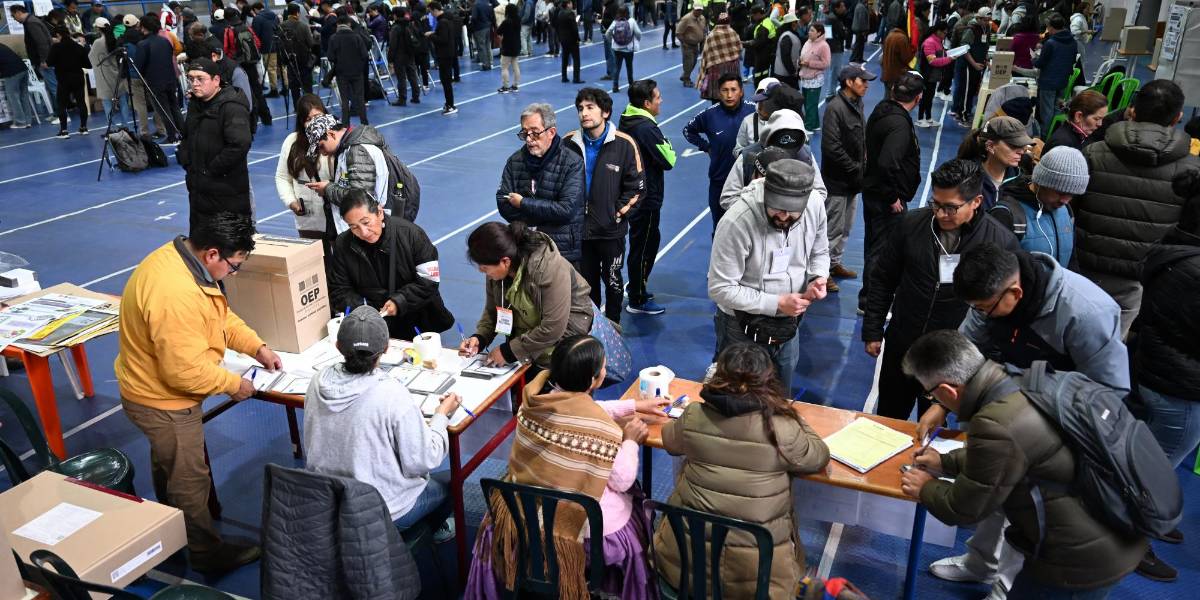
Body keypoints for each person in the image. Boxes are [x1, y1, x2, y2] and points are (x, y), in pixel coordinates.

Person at [916, 241, 1128, 597]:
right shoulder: (989, 296)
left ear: (1014, 291)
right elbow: (964, 354)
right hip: (1010, 408)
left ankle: (1006, 584)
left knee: (1032, 511)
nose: (982, 314)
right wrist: (942, 403)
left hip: (1060, 427)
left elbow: (1110, 390)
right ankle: (980, 563)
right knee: (993, 488)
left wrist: (1037, 421)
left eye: (986, 308)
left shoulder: (1085, 312)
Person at [901, 330, 1147, 598]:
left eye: (931, 395)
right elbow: (1011, 455)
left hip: (1076, 560)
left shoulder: (995, 421)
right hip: (1113, 528)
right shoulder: (1022, 381)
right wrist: (946, 462)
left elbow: (965, 508)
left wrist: (926, 487)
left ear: (948, 390)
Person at [116, 213, 281, 574]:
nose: (233, 274)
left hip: (148, 388)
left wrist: (256, 347)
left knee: (169, 466)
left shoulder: (181, 260)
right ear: (211, 254)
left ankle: (171, 530)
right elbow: (184, 371)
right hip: (163, 401)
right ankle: (206, 554)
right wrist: (233, 384)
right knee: (189, 479)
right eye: (234, 267)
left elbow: (219, 318)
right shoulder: (175, 293)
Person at [465, 335, 659, 599]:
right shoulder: (602, 431)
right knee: (633, 512)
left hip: (522, 513)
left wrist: (632, 406)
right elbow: (621, 480)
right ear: (594, 380)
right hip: (577, 531)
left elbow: (577, 408)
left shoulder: (532, 403)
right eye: (602, 367)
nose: (605, 370)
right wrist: (630, 442)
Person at [654, 342, 831, 598]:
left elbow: (670, 442)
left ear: (719, 376)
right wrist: (793, 415)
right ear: (768, 380)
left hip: (683, 565)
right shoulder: (782, 428)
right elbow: (818, 456)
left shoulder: (694, 415)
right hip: (759, 579)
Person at [862, 159, 1020, 420]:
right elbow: (883, 278)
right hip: (903, 345)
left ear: (976, 202)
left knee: (935, 424)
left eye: (951, 207)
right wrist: (873, 328)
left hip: (953, 358)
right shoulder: (911, 226)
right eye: (936, 204)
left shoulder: (1000, 243)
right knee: (888, 419)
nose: (940, 214)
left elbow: (1003, 312)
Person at [304, 305, 459, 540]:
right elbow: (425, 459)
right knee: (453, 484)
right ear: (386, 349)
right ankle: (410, 540)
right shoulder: (390, 393)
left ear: (337, 346)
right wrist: (441, 416)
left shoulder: (317, 382)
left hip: (328, 503)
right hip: (380, 511)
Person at [1076, 80, 1199, 337]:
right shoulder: (1191, 170)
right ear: (1177, 117)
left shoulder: (1092, 153)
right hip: (1142, 279)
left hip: (1083, 268)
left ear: (1132, 110)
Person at [710, 160, 830, 393]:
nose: (784, 216)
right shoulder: (738, 221)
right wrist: (776, 303)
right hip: (740, 324)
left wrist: (818, 276)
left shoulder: (814, 204)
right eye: (777, 208)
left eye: (792, 211)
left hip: (787, 323)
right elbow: (720, 288)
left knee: (780, 393)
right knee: (739, 398)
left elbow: (820, 250)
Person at [458, 222, 594, 370]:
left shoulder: (548, 269)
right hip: (529, 341)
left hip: (566, 342)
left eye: (484, 268)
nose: (482, 272)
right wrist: (480, 338)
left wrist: (508, 351)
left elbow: (553, 328)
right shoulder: (496, 272)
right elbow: (493, 311)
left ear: (505, 261)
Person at [1134, 169, 1200, 469]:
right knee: (1148, 476)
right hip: (1179, 390)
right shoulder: (1192, 270)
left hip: (1158, 373)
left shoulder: (1175, 248)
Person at [563, 88, 644, 323]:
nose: (584, 113)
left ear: (606, 112)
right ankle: (591, 327)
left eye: (590, 108)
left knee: (613, 282)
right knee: (585, 285)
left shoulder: (625, 144)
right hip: (579, 231)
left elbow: (637, 187)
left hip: (610, 231)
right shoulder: (568, 143)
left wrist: (617, 213)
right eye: (580, 109)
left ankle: (614, 326)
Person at [329, 190, 454, 340]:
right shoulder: (343, 244)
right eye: (354, 227)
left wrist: (399, 301)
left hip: (418, 320)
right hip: (372, 323)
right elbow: (339, 289)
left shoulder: (412, 235)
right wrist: (366, 309)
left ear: (380, 213)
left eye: (366, 222)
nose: (363, 232)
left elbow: (429, 280)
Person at [858, 71, 923, 313]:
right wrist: (892, 196)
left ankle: (869, 298)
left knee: (874, 246)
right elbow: (887, 163)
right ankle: (871, 303)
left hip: (874, 192)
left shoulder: (881, 110)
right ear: (918, 98)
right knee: (884, 252)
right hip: (886, 199)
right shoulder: (899, 126)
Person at [496, 103, 586, 266]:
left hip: (562, 252)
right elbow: (504, 204)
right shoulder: (515, 161)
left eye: (535, 133)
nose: (529, 139)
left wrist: (522, 203)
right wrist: (547, 214)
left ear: (551, 132)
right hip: (525, 249)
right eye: (525, 133)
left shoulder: (572, 163)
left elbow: (566, 210)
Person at [620, 79, 676, 315]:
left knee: (641, 243)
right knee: (644, 246)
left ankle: (636, 287)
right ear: (646, 103)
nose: (661, 100)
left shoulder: (627, 118)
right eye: (658, 97)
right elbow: (669, 159)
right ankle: (637, 298)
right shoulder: (646, 128)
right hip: (646, 196)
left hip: (634, 192)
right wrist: (667, 144)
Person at [303, 114, 419, 222]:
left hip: (378, 224)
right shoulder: (352, 146)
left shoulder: (358, 151)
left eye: (321, 147)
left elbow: (360, 198)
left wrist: (328, 189)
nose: (322, 153)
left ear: (331, 134)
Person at [178, 58, 253, 225]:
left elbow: (239, 145)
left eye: (200, 79)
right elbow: (187, 137)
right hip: (198, 192)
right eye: (191, 79)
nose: (194, 84)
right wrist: (187, 161)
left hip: (226, 191)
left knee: (227, 245)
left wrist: (211, 170)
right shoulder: (195, 105)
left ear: (216, 80)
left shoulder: (232, 106)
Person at [821, 64, 874, 292]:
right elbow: (831, 147)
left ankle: (834, 264)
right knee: (831, 230)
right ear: (849, 82)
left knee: (846, 228)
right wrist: (855, 167)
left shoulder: (856, 104)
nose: (867, 85)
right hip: (837, 181)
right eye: (862, 81)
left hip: (853, 181)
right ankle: (822, 275)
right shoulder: (835, 108)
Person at [986, 145, 1086, 266]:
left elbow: (1071, 260)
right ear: (1040, 182)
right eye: (1060, 193)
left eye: (1072, 195)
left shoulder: (1066, 211)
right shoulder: (1006, 214)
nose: (1065, 201)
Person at [275, 94, 340, 275]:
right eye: (308, 119)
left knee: (342, 266)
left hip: (336, 216)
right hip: (308, 218)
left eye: (317, 117)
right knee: (317, 268)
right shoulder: (291, 142)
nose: (313, 123)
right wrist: (291, 201)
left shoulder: (334, 140)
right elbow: (282, 177)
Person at [683, 73, 756, 228]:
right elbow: (688, 130)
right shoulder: (709, 115)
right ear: (718, 92)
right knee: (720, 226)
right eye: (724, 90)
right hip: (720, 181)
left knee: (750, 227)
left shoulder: (754, 110)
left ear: (741, 91)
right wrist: (706, 147)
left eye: (733, 90)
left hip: (749, 182)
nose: (729, 95)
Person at [956, 116, 1034, 210]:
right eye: (1014, 145)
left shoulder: (1021, 180)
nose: (1021, 152)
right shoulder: (964, 178)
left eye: (1022, 145)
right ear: (990, 146)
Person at [136, 16, 184, 143]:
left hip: (155, 81)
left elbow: (138, 66)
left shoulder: (142, 44)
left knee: (163, 109)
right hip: (170, 78)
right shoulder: (165, 41)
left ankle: (172, 136)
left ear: (144, 27)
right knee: (174, 106)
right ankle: (184, 132)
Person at [1033, 13, 1077, 133]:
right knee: (1058, 110)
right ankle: (1056, 134)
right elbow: (1073, 60)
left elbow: (1040, 63)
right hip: (1063, 81)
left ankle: (1045, 138)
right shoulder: (1072, 41)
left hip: (1048, 82)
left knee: (1046, 112)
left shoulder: (1051, 43)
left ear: (1051, 27)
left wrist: (1034, 59)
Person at [8, 5, 56, 111]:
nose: (14, 19)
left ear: (18, 12)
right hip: (44, 60)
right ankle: (57, 114)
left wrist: (44, 60)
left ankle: (62, 115)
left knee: (53, 88)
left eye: (13, 16)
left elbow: (42, 43)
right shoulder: (30, 22)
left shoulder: (31, 23)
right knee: (50, 87)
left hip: (45, 61)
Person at [46, 27, 91, 138]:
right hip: (78, 77)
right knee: (81, 102)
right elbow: (88, 65)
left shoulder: (56, 47)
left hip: (63, 78)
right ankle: (83, 128)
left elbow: (49, 62)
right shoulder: (79, 47)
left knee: (61, 104)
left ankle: (64, 130)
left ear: (58, 35)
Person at [951, 7, 991, 128]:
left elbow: (984, 46)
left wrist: (985, 60)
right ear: (978, 18)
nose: (987, 22)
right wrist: (973, 63)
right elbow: (964, 48)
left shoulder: (986, 28)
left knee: (972, 90)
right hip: (968, 65)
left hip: (978, 64)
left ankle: (965, 112)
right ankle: (963, 116)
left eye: (988, 20)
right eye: (985, 20)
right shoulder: (971, 29)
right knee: (966, 90)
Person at [327, 15, 370, 125]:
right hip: (357, 72)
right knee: (360, 98)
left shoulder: (333, 38)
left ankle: (345, 124)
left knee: (345, 100)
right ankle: (364, 122)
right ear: (349, 24)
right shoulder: (356, 37)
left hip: (342, 73)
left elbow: (330, 57)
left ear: (337, 24)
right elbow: (365, 55)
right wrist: (359, 66)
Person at [697, 12, 743, 101]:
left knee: (717, 90)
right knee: (731, 88)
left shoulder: (712, 35)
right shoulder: (733, 33)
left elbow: (706, 53)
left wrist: (703, 71)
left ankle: (716, 104)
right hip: (732, 68)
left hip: (716, 68)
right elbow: (739, 48)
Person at [278, 4, 315, 105]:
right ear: (298, 13)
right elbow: (311, 43)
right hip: (304, 60)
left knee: (294, 87)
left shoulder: (281, 27)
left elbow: (280, 44)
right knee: (307, 86)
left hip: (289, 60)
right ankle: (309, 105)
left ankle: (297, 106)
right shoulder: (303, 26)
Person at [916, 21, 951, 127]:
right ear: (938, 31)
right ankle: (920, 118)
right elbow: (932, 61)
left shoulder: (938, 41)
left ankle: (929, 118)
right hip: (927, 75)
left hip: (934, 75)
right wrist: (949, 59)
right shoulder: (930, 42)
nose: (945, 35)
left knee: (930, 97)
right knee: (925, 97)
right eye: (944, 33)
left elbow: (940, 56)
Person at [798, 22, 831, 131]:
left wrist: (809, 63)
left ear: (819, 33)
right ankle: (815, 124)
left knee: (811, 104)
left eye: (812, 31)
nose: (809, 32)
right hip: (805, 77)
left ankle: (809, 127)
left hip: (815, 79)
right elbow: (803, 55)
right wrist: (800, 62)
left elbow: (826, 63)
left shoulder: (824, 46)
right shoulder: (808, 42)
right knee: (808, 102)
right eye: (809, 30)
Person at [427, 2, 459, 114]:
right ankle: (449, 103)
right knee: (445, 80)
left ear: (435, 10)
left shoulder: (443, 22)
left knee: (446, 80)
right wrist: (434, 33)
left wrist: (431, 36)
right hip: (448, 53)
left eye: (431, 11)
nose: (431, 14)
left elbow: (443, 39)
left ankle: (450, 105)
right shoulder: (447, 19)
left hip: (444, 54)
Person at [249, 2, 282, 97]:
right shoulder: (273, 15)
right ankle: (286, 88)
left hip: (267, 47)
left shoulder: (257, 18)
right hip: (279, 44)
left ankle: (274, 90)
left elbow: (255, 34)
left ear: (255, 9)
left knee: (271, 69)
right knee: (282, 67)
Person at [605, 7, 641, 94]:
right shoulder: (631, 21)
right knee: (629, 67)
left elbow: (607, 33)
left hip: (617, 49)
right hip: (628, 49)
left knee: (617, 68)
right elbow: (638, 33)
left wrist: (612, 41)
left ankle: (615, 86)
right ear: (628, 12)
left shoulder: (615, 21)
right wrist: (637, 40)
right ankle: (631, 85)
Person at [0, 42, 33, 129]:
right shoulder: (3, 45)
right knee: (24, 95)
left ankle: (20, 122)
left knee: (13, 97)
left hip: (12, 72)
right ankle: (28, 121)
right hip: (23, 69)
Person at [880, 27, 914, 101]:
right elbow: (906, 58)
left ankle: (884, 111)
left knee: (887, 95)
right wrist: (913, 53)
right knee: (895, 98)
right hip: (896, 74)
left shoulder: (890, 35)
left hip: (886, 72)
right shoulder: (902, 39)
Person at [746, 6, 777, 85]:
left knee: (758, 76)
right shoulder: (767, 21)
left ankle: (759, 90)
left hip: (762, 55)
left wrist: (744, 43)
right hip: (768, 54)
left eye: (753, 15)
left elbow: (758, 43)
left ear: (758, 14)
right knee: (765, 74)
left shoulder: (763, 26)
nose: (752, 18)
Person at [675, 6, 705, 87]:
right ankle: (686, 80)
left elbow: (703, 30)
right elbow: (678, 32)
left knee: (694, 62)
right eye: (697, 10)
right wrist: (683, 43)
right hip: (687, 44)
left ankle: (684, 75)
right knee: (688, 62)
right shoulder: (686, 19)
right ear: (693, 9)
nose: (699, 12)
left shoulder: (702, 18)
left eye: (701, 10)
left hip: (696, 45)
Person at [769, 13, 801, 88]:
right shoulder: (787, 36)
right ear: (793, 23)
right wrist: (792, 71)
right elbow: (785, 57)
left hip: (784, 73)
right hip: (785, 75)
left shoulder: (786, 34)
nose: (798, 24)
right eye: (796, 22)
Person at [555, 0, 583, 83]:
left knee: (565, 58)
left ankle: (564, 77)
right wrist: (577, 38)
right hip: (572, 39)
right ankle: (576, 78)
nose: (572, 5)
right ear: (567, 4)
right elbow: (574, 28)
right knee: (576, 59)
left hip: (563, 39)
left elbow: (558, 27)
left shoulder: (560, 13)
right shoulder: (570, 14)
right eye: (571, 3)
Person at [497, 3, 522, 93]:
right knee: (515, 65)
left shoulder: (506, 21)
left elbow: (498, 31)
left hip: (507, 46)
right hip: (516, 46)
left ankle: (505, 86)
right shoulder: (518, 20)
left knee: (504, 67)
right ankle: (515, 85)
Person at [469, 0, 494, 70]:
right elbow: (492, 15)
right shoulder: (488, 3)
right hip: (488, 26)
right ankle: (490, 62)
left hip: (479, 28)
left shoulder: (476, 4)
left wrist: (471, 23)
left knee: (481, 46)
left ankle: (485, 64)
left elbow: (474, 17)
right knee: (488, 45)